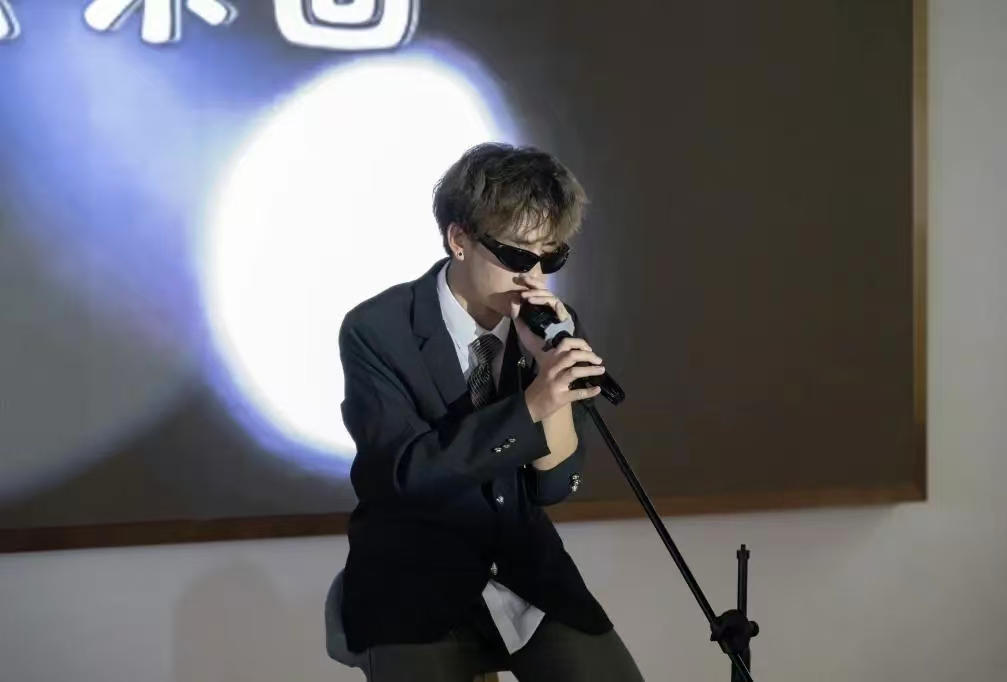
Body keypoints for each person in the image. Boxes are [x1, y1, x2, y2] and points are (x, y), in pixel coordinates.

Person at [329, 142, 644, 681]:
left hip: (526, 573)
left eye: (551, 258)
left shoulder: (550, 324)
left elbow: (553, 487)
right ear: (459, 240)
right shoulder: (376, 329)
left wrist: (550, 377)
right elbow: (404, 474)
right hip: (413, 582)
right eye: (518, 256)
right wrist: (531, 404)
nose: (534, 277)